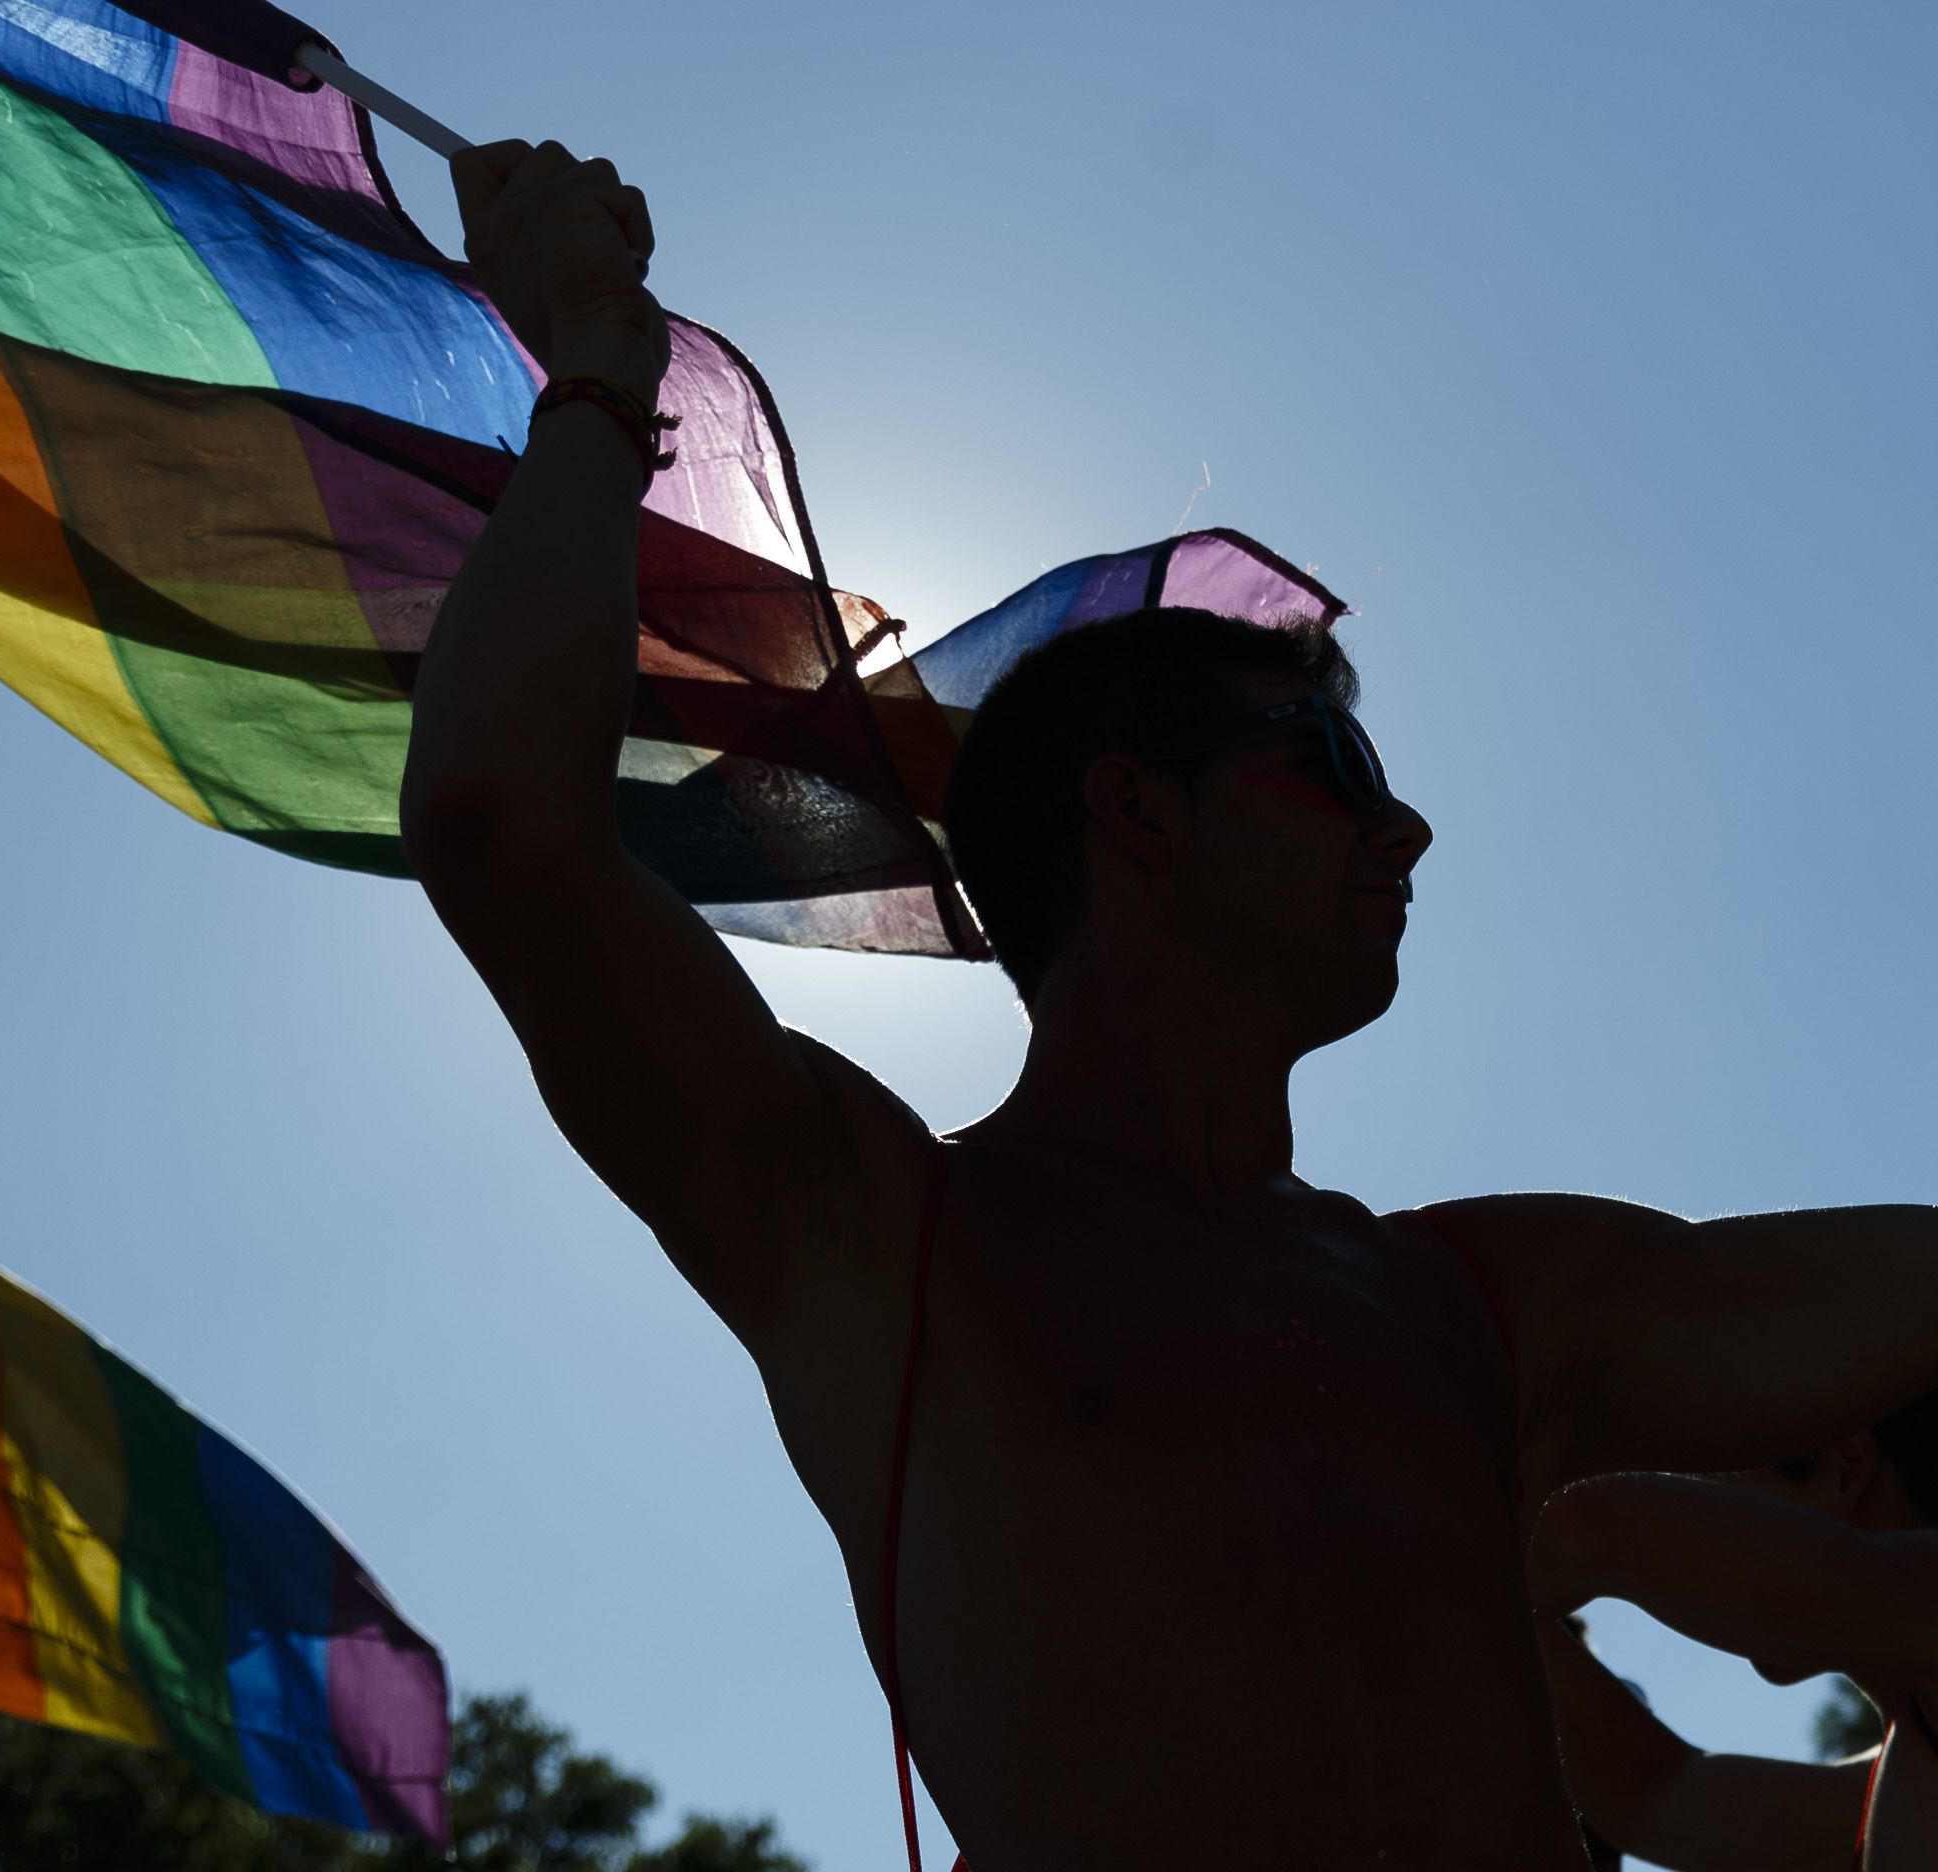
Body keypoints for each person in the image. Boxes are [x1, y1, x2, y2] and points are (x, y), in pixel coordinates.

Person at [401, 137, 1938, 1869]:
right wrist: (600, 363)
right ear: (1134, 811)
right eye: (1331, 765)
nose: (1404, 822)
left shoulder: (1487, 1302)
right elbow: (501, 822)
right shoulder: (873, 1231)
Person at [1530, 1394, 1938, 1870]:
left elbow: (1586, 1529)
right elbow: (1654, 1796)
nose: (1694, 1510)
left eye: (1704, 1485)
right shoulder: (1893, 1785)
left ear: (1844, 1466)